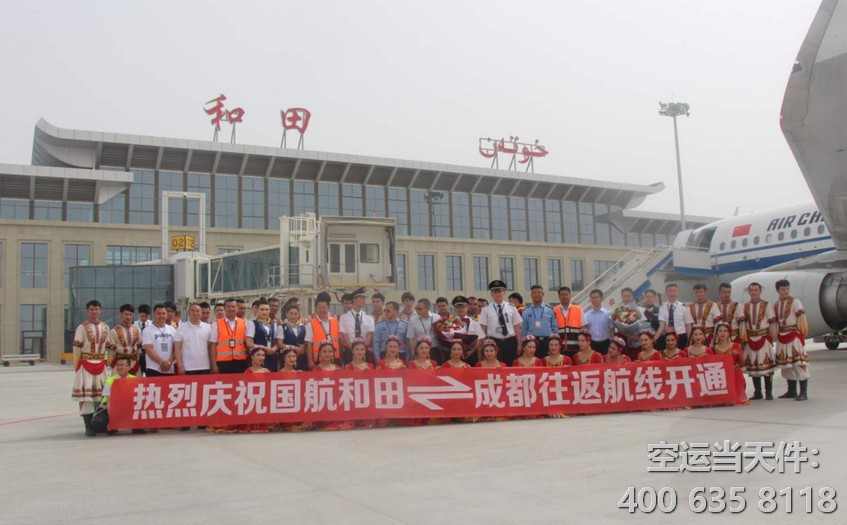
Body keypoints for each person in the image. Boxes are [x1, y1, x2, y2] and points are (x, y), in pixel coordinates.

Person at [72, 299, 110, 437]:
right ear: (87, 311)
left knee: (102, 397)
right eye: (91, 309)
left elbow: (108, 347)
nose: (94, 312)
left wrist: (107, 362)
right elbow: (76, 348)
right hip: (86, 364)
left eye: (96, 309)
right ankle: (88, 426)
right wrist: (77, 366)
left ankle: (99, 423)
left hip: (101, 364)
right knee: (87, 397)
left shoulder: (106, 327)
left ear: (100, 310)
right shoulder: (81, 328)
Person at [772, 279, 810, 401]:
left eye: (787, 289)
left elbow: (801, 318)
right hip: (782, 336)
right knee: (787, 365)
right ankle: (792, 390)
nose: (785, 291)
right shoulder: (776, 305)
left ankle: (803, 391)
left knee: (798, 363)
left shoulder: (795, 302)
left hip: (793, 335)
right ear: (777, 290)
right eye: (783, 289)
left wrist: (802, 333)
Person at [739, 282, 777, 400]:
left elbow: (772, 322)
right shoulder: (744, 306)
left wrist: (771, 337)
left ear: (760, 291)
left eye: (756, 290)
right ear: (749, 292)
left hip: (764, 337)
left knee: (767, 367)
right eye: (752, 290)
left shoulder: (766, 305)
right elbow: (742, 323)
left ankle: (769, 392)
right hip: (750, 339)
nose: (754, 292)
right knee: (754, 367)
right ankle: (758, 392)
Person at [91, 356, 141, 435]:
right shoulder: (110, 381)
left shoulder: (135, 380)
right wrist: (112, 422)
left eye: (122, 365)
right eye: (117, 365)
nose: (119, 367)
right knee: (98, 423)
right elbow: (109, 403)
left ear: (129, 367)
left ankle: (136, 426)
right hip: (111, 408)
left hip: (129, 407)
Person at [479, 280, 522, 366]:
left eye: (500, 291)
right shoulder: (486, 309)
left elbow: (517, 327)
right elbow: (483, 329)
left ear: (504, 292)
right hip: (493, 342)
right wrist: (482, 346)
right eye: (495, 292)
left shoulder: (511, 307)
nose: (497, 294)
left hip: (509, 341)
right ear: (491, 294)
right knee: (495, 366)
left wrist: (519, 344)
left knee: (510, 366)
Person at [209, 298, 249, 374]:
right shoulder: (217, 323)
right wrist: (214, 365)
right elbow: (213, 345)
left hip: (240, 361)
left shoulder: (244, 323)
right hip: (223, 362)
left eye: (233, 306)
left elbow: (247, 343)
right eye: (228, 306)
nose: (231, 309)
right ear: (224, 308)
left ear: (237, 308)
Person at [174, 302, 213, 376]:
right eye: (192, 311)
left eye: (198, 311)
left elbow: (210, 347)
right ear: (188, 312)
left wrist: (212, 364)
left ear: (201, 313)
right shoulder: (181, 328)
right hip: (188, 367)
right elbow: (177, 349)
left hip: (205, 366)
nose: (195, 313)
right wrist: (180, 366)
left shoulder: (207, 327)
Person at [713, 322, 747, 402]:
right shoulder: (714, 348)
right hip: (721, 375)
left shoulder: (735, 345)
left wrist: (738, 355)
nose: (722, 333)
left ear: (729, 333)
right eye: (720, 331)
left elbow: (742, 364)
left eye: (725, 331)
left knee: (737, 399)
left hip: (734, 374)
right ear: (717, 333)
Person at [521, 285, 557, 359]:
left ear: (543, 294)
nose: (536, 294)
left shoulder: (550, 309)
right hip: (531, 342)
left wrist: (554, 342)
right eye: (534, 292)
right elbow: (524, 329)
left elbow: (554, 327)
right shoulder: (526, 311)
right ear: (531, 295)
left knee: (547, 362)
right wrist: (523, 344)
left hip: (547, 341)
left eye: (539, 292)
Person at [340, 288, 375, 363]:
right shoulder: (344, 317)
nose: (364, 301)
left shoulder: (368, 317)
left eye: (364, 299)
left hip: (364, 351)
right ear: (354, 300)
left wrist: (362, 348)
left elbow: (369, 334)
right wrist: (353, 349)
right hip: (349, 350)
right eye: (361, 298)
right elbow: (344, 334)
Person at [305, 292, 341, 366]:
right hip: (318, 359)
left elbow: (339, 340)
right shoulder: (311, 323)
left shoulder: (335, 321)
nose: (321, 310)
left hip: (334, 357)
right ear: (316, 308)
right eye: (319, 307)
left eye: (324, 308)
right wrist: (309, 361)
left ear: (328, 308)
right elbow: (309, 344)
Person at [106, 303, 142, 376]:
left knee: (135, 385)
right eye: (126, 314)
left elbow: (138, 349)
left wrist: (137, 361)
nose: (128, 317)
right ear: (121, 314)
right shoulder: (113, 331)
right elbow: (111, 352)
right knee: (119, 386)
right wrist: (114, 365)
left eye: (130, 314)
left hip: (134, 364)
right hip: (119, 364)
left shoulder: (137, 330)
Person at [142, 304, 177, 377]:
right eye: (159, 313)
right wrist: (161, 363)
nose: (161, 316)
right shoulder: (147, 330)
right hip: (153, 368)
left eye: (163, 313)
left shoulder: (172, 330)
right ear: (154, 314)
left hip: (169, 368)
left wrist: (169, 362)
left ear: (166, 314)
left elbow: (175, 349)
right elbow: (148, 350)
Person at [655, 283, 693, 350]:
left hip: (681, 336)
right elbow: (662, 325)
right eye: (670, 291)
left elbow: (688, 325)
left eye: (674, 291)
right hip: (667, 337)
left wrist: (690, 340)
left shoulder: (684, 307)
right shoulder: (662, 307)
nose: (672, 293)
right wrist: (654, 339)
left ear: (678, 292)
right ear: (666, 293)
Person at [449, 296, 485, 364]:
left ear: (467, 308)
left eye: (463, 307)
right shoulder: (450, 323)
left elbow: (480, 340)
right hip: (455, 355)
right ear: (455, 309)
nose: (460, 309)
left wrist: (471, 351)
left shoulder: (474, 323)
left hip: (471, 355)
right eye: (458, 307)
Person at [246, 299, 280, 371]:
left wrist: (274, 349)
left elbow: (277, 342)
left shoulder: (273, 323)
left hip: (271, 356)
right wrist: (264, 348)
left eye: (267, 310)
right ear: (257, 310)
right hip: (258, 357)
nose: (264, 312)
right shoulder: (252, 323)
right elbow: (248, 343)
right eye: (262, 309)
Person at [554, 286, 583, 358]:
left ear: (570, 295)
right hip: (559, 349)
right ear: (559, 296)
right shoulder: (554, 310)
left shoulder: (579, 309)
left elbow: (584, 327)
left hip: (576, 348)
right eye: (562, 295)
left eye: (566, 294)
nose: (564, 296)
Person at [583, 289, 614, 355]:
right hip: (592, 344)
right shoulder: (586, 315)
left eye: (596, 297)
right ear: (590, 300)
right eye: (592, 298)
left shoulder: (607, 314)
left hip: (605, 343)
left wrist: (612, 342)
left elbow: (611, 329)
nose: (594, 300)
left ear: (601, 298)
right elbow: (585, 331)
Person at [278, 303, 308, 370]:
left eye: (295, 314)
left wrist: (304, 346)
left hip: (302, 358)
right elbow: (280, 344)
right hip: (287, 359)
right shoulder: (282, 327)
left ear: (298, 315)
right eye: (291, 313)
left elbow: (307, 342)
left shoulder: (304, 327)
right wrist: (294, 348)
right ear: (286, 314)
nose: (293, 316)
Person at [136, 303, 152, 375]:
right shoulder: (134, 325)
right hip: (139, 353)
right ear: (138, 314)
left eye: (146, 316)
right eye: (142, 316)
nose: (144, 318)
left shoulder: (152, 325)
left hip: (149, 353)